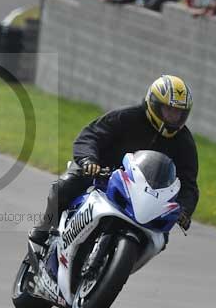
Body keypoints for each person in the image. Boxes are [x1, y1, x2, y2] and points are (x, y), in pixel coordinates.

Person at [28, 75, 199, 246]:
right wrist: (89, 161)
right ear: (154, 103)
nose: (174, 117)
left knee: (161, 235)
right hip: (101, 172)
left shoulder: (184, 142)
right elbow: (90, 136)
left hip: (143, 193)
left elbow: (188, 183)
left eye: (179, 113)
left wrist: (184, 209)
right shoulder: (127, 117)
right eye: (169, 110)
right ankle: (44, 227)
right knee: (65, 185)